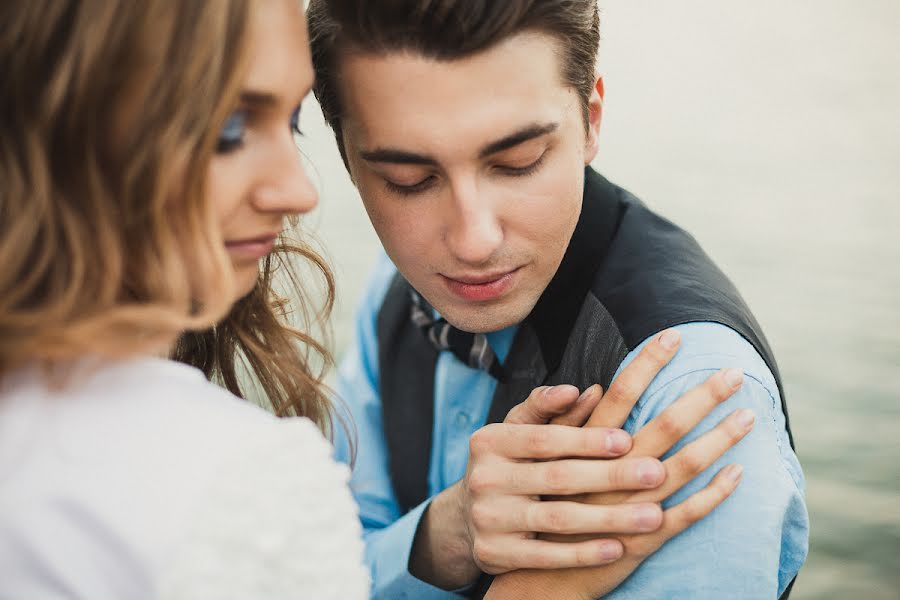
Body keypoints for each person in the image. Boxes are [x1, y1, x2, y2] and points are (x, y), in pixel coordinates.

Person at [307, 0, 809, 598]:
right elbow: (318, 561)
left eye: (518, 163)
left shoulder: (692, 390)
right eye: (408, 182)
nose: (473, 241)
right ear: (345, 158)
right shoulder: (393, 290)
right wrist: (445, 532)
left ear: (592, 120)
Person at [0, 1, 370, 598]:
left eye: (294, 119)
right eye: (227, 128)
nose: (299, 189)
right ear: (62, 123)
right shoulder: (238, 482)